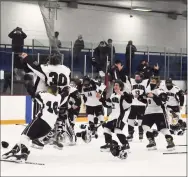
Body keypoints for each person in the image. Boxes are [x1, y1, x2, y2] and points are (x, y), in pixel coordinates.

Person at [2, 85, 64, 163]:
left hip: (41, 121)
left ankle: (24, 154)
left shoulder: (45, 95)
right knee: (27, 137)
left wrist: (31, 88)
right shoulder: (59, 97)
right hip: (49, 126)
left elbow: (36, 95)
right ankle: (14, 150)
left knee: (24, 136)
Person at [140, 76, 175, 150]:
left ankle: (170, 141)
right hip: (149, 111)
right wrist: (141, 98)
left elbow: (160, 102)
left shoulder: (160, 90)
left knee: (163, 129)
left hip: (159, 111)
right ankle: (152, 142)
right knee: (145, 126)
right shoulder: (147, 89)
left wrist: (153, 96)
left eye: (153, 82)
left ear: (157, 83)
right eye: (151, 81)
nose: (152, 83)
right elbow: (146, 100)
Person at [99, 80, 133, 159]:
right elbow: (108, 104)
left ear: (121, 87)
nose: (115, 86)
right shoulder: (112, 95)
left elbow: (130, 100)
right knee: (106, 129)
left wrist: (122, 93)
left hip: (121, 116)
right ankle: (109, 144)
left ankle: (126, 144)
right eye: (114, 85)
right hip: (113, 116)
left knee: (117, 130)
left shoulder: (123, 95)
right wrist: (101, 99)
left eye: (117, 85)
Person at [127, 72, 149, 141]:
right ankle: (130, 134)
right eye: (136, 77)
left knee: (140, 121)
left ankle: (141, 133)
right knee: (130, 120)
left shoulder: (145, 83)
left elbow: (148, 94)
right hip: (133, 105)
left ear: (141, 77)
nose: (136, 78)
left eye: (138, 77)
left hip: (142, 105)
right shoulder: (132, 82)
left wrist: (141, 97)